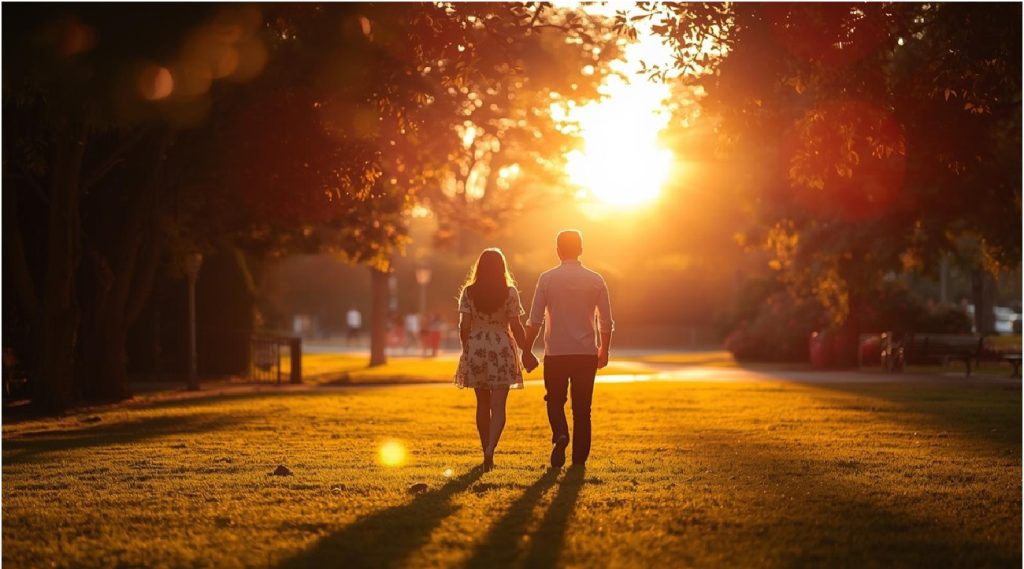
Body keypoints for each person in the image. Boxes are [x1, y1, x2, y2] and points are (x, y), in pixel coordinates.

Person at [523, 229, 613, 469]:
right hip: (585, 353)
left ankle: (561, 434)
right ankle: (579, 460)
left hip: (556, 353)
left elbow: (535, 319)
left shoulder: (547, 279)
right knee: (583, 409)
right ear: (581, 250)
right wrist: (604, 350)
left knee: (554, 400)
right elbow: (606, 321)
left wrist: (526, 350)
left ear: (558, 250)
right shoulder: (596, 280)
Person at [454, 248, 529, 471]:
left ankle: (484, 447)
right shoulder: (510, 292)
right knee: (499, 405)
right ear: (501, 267)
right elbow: (515, 326)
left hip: (477, 346)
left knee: (482, 404)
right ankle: (490, 450)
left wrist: (467, 349)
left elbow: (464, 326)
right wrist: (527, 350)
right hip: (501, 348)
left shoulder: (469, 292)